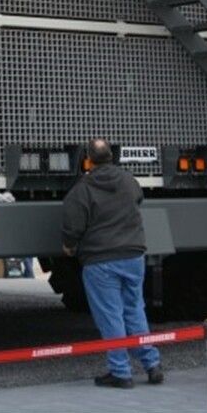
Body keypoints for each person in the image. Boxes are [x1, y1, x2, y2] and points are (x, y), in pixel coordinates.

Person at [61, 138, 163, 389]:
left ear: (88, 160)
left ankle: (120, 372)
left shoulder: (82, 189)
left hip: (101, 260)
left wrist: (70, 245)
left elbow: (73, 224)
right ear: (112, 156)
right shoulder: (129, 181)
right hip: (133, 255)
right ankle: (152, 364)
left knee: (110, 316)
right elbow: (138, 201)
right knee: (134, 308)